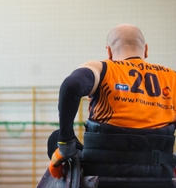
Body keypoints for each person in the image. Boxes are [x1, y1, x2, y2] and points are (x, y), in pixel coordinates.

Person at [48, 24, 176, 179]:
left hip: (102, 170)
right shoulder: (171, 77)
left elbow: (71, 85)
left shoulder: (103, 68)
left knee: (56, 138)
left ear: (108, 51)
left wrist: (66, 144)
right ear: (146, 50)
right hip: (158, 171)